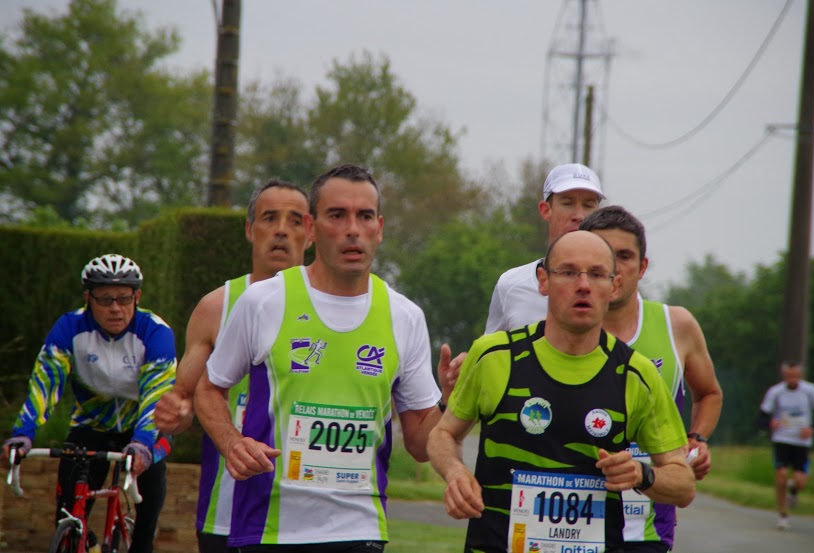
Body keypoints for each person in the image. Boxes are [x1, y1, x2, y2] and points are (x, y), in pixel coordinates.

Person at [193, 164, 458, 552]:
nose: (353, 229)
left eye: (364, 216)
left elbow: (419, 443)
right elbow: (208, 389)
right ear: (312, 228)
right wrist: (231, 442)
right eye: (337, 215)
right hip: (267, 528)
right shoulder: (263, 301)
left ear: (379, 228)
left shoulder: (404, 316)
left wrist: (448, 399)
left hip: (359, 529)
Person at [428, 230, 694, 553]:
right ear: (543, 281)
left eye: (596, 274)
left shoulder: (636, 375)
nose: (583, 285)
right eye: (568, 272)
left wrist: (642, 473)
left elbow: (684, 484)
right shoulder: (494, 357)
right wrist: (454, 471)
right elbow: (443, 434)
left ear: (614, 286)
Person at [154, 179, 311, 553]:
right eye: (269, 218)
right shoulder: (216, 307)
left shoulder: (337, 310)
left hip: (311, 516)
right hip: (227, 513)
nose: (281, 230)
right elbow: (184, 403)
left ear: (312, 232)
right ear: (249, 229)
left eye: (294, 221)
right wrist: (177, 412)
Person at [2, 254, 176, 553]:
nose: (115, 308)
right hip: (91, 426)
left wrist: (143, 443)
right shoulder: (70, 327)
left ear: (138, 297)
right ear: (88, 298)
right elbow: (45, 382)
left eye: (123, 298)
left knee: (145, 528)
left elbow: (156, 394)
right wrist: (23, 433)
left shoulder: (155, 332)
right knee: (67, 514)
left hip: (146, 430)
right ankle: (88, 543)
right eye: (104, 299)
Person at [579, 205, 723, 553]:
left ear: (642, 267)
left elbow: (708, 393)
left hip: (644, 529)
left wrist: (695, 440)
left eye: (625, 256)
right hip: (570, 523)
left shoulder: (677, 325)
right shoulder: (556, 330)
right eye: (603, 254)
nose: (614, 267)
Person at [485, 162, 604, 333]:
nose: (579, 216)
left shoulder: (611, 287)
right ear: (546, 210)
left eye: (588, 205)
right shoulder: (510, 284)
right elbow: (489, 354)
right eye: (568, 203)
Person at [759, 361, 814, 530]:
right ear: (784, 375)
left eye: (795, 376)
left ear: (800, 375)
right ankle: (783, 515)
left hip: (801, 441)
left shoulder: (810, 391)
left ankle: (794, 490)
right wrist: (770, 424)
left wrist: (812, 428)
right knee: (780, 475)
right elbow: (763, 415)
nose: (792, 379)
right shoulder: (776, 392)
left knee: (800, 481)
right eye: (789, 376)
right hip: (782, 438)